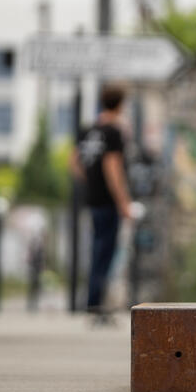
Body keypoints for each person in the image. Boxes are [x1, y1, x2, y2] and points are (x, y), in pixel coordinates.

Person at [70, 83, 134, 322]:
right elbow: (113, 168)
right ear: (120, 104)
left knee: (96, 249)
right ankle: (96, 304)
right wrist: (124, 202)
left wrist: (90, 181)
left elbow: (74, 162)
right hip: (108, 201)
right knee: (105, 252)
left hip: (92, 199)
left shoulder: (89, 130)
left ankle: (92, 301)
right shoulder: (114, 132)